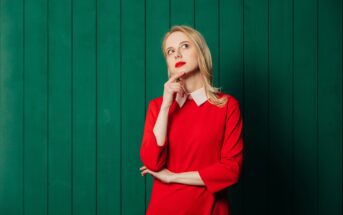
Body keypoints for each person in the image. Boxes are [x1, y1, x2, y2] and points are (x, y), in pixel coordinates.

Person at [139, 25, 244, 215]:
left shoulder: (227, 106)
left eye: (185, 46)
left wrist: (173, 178)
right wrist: (165, 106)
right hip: (163, 208)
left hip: (209, 209)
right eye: (170, 51)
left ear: (201, 53)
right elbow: (152, 162)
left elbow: (231, 170)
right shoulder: (157, 107)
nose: (177, 54)